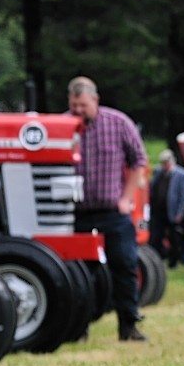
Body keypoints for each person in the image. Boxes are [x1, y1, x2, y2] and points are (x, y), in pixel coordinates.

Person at [66, 76, 149, 341]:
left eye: (83, 105)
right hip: (75, 214)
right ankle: (79, 328)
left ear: (95, 100)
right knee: (78, 273)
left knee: (124, 265)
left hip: (112, 212)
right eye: (74, 105)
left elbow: (139, 160)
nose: (78, 111)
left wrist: (126, 198)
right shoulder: (62, 126)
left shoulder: (118, 123)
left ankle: (128, 324)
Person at [147, 149, 184, 266]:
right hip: (158, 211)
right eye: (163, 163)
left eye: (167, 163)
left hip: (173, 212)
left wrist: (180, 212)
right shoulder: (158, 173)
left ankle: (174, 261)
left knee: (174, 238)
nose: (165, 165)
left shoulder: (182, 175)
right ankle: (157, 259)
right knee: (156, 236)